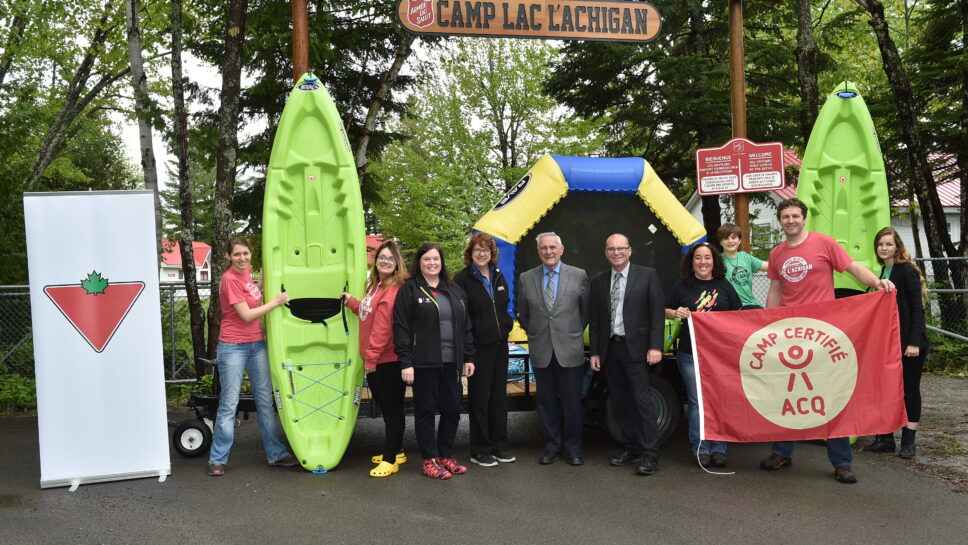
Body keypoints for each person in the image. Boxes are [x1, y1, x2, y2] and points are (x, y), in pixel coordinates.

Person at [759, 198, 894, 484]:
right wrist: (769, 323)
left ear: (804, 218)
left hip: (823, 335)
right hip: (790, 334)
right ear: (780, 221)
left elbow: (853, 268)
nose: (791, 220)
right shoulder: (777, 253)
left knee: (832, 397)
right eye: (785, 217)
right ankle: (782, 452)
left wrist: (877, 283)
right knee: (787, 395)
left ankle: (842, 462)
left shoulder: (824, 243)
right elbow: (775, 289)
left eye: (795, 216)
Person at [208, 237, 297, 476]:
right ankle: (217, 459)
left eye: (245, 253)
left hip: (257, 345)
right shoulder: (229, 279)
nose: (242, 258)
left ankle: (275, 454)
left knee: (265, 401)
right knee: (229, 404)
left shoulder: (246, 274)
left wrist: (266, 275)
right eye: (237, 254)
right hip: (233, 347)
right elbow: (247, 315)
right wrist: (276, 302)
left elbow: (254, 291)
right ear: (228, 256)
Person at [393, 243, 475, 480]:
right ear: (419, 263)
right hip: (424, 363)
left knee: (453, 410)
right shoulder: (410, 290)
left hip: (452, 363)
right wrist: (406, 362)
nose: (432, 263)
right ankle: (429, 460)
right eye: (427, 259)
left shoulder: (455, 290)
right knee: (426, 412)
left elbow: (466, 326)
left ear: (442, 262)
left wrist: (469, 356)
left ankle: (445, 455)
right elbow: (401, 327)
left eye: (436, 259)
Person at [589, 234, 665, 476]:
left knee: (642, 401)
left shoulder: (647, 275)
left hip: (638, 350)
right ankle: (631, 448)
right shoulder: (599, 281)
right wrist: (595, 352)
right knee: (620, 402)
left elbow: (657, 314)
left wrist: (655, 347)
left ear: (630, 250)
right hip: (610, 350)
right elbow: (595, 320)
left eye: (621, 248)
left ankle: (650, 454)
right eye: (612, 249)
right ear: (606, 253)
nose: (617, 252)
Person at [664, 242, 741, 467]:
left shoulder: (724, 286)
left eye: (707, 257)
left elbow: (738, 314)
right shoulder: (681, 287)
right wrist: (675, 312)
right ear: (691, 262)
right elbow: (664, 309)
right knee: (697, 402)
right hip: (690, 354)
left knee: (719, 400)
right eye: (698, 258)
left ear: (714, 261)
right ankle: (701, 447)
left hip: (720, 355)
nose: (703, 262)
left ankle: (719, 448)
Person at [517, 232, 590, 466]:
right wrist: (538, 333)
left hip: (570, 350)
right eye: (543, 248)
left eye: (552, 247)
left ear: (561, 249)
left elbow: (585, 313)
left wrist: (569, 332)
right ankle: (551, 447)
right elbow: (524, 315)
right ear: (538, 251)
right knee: (546, 403)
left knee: (572, 404)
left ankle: (573, 449)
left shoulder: (578, 275)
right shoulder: (526, 278)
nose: (548, 251)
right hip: (542, 350)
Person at [342, 240, 408, 477]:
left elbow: (382, 328)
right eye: (382, 257)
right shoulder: (377, 286)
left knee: (392, 410)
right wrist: (352, 302)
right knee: (388, 408)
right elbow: (368, 312)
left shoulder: (392, 290)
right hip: (379, 359)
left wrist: (370, 359)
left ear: (397, 263)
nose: (386, 261)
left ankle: (390, 460)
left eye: (391, 258)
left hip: (387, 361)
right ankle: (397, 450)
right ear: (376, 260)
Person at [864, 227, 929, 459]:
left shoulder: (906, 270)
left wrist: (914, 342)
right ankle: (886, 439)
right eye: (880, 244)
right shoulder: (883, 271)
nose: (884, 248)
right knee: (887, 389)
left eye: (889, 244)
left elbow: (917, 308)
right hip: (888, 343)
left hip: (909, 343)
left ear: (897, 246)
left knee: (909, 390)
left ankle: (909, 442)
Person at [454, 233, 516, 467]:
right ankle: (480, 450)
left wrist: (506, 327)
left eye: (486, 250)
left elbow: (504, 307)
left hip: (500, 345)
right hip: (478, 348)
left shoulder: (498, 275)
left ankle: (499, 446)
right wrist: (468, 353)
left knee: (499, 399)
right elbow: (462, 319)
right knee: (480, 400)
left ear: (492, 253)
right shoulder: (462, 279)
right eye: (477, 250)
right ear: (470, 253)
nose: (481, 254)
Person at [717, 223, 769, 309]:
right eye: (726, 238)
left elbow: (770, 266)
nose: (730, 241)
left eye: (733, 237)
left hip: (751, 303)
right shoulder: (717, 261)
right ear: (720, 242)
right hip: (731, 307)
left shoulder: (746, 257)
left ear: (739, 240)